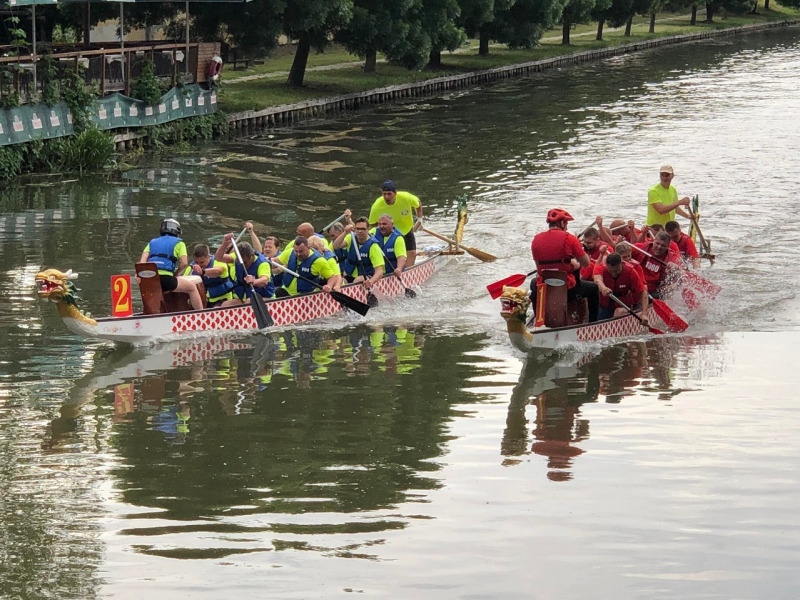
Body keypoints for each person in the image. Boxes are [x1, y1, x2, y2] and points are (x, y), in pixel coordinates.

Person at [530, 208, 598, 323]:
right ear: (562, 223)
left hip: (545, 288)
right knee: (594, 289)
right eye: (566, 224)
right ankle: (592, 324)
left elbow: (538, 267)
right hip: (567, 288)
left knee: (533, 283)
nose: (566, 227)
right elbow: (586, 263)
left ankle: (538, 320)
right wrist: (574, 259)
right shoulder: (570, 238)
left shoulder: (536, 239)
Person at [138, 218, 203, 310]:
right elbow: (184, 263)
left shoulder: (151, 243)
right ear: (177, 232)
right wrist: (176, 273)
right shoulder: (179, 243)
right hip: (166, 279)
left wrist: (141, 277)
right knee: (192, 288)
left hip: (150, 279)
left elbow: (142, 263)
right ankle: (201, 314)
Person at [368, 180, 423, 267]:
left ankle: (409, 272)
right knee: (391, 254)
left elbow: (418, 203)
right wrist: (382, 232)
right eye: (384, 194)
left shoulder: (406, 197)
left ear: (395, 193)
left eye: (389, 194)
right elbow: (373, 223)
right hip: (389, 233)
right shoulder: (377, 205)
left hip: (406, 228)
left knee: (411, 253)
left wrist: (420, 219)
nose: (387, 197)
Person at [214, 236, 274, 306]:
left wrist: (254, 281)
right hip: (245, 298)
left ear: (252, 256)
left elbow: (264, 280)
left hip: (266, 298)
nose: (243, 265)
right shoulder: (238, 257)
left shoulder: (263, 263)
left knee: (249, 302)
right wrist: (225, 243)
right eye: (239, 262)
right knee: (225, 304)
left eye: (245, 262)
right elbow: (218, 258)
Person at [274, 236, 342, 297]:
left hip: (305, 296)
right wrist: (265, 260)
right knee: (276, 291)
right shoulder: (290, 252)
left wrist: (329, 286)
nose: (298, 254)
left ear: (308, 248)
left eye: (301, 251)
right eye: (296, 251)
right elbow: (276, 261)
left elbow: (332, 277)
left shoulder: (319, 261)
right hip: (285, 290)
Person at [592, 252, 649, 323]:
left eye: (616, 271)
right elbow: (597, 280)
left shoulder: (631, 271)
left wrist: (644, 314)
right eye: (610, 271)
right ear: (606, 264)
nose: (613, 274)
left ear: (621, 264)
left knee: (618, 312)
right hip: (605, 305)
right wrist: (603, 288)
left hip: (624, 305)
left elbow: (643, 293)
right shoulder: (600, 268)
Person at [333, 217, 385, 289]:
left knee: (358, 280)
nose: (360, 231)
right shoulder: (350, 237)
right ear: (355, 229)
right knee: (338, 281)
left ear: (368, 229)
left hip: (365, 276)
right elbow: (336, 246)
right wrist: (345, 232)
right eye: (358, 229)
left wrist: (371, 281)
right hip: (349, 275)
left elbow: (379, 271)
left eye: (363, 229)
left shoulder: (373, 246)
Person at [633, 231, 681, 298]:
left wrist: (675, 268)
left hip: (654, 292)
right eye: (657, 243)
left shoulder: (672, 258)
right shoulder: (641, 247)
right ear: (653, 241)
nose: (659, 247)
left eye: (663, 245)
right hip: (636, 285)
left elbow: (680, 274)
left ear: (668, 246)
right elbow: (621, 250)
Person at [371, 214, 408, 279]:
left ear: (392, 224)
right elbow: (362, 235)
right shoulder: (374, 231)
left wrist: (399, 269)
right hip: (376, 273)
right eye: (379, 224)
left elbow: (401, 257)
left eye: (384, 224)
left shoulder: (398, 238)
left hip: (392, 273)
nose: (381, 226)